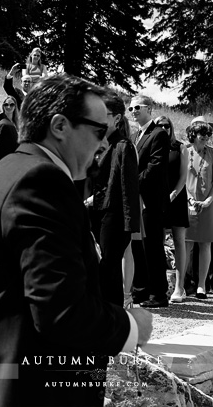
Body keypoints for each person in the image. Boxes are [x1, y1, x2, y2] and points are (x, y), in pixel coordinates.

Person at [0, 76, 153, 407]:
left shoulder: (8, 171)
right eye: (98, 131)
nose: (104, 144)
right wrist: (130, 327)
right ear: (60, 126)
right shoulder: (42, 182)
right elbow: (59, 309)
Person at [86, 91, 140, 306]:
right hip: (100, 214)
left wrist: (130, 224)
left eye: (102, 114)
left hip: (115, 217)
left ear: (116, 119)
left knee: (109, 268)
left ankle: (115, 321)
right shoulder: (100, 144)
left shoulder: (123, 146)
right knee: (104, 267)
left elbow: (127, 188)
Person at [129, 95, 171, 308]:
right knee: (139, 247)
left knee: (152, 247)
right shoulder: (136, 135)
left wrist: (132, 183)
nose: (133, 111)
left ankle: (158, 294)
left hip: (150, 200)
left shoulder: (159, 134)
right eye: (130, 108)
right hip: (137, 200)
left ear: (149, 109)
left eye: (137, 107)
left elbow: (155, 167)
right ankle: (141, 291)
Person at [153, 115, 190, 303]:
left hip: (176, 199)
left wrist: (172, 195)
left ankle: (179, 287)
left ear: (171, 127)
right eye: (159, 126)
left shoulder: (180, 147)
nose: (163, 128)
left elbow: (183, 177)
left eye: (166, 126)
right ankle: (160, 286)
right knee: (156, 241)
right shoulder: (154, 147)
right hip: (157, 201)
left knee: (179, 241)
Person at [184, 117, 213, 300]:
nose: (206, 137)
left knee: (205, 244)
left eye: (208, 134)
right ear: (193, 134)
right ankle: (181, 285)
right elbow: (180, 179)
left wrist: (209, 201)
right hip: (187, 204)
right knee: (186, 243)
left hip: (208, 205)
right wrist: (188, 198)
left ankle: (202, 286)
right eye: (202, 134)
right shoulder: (184, 151)